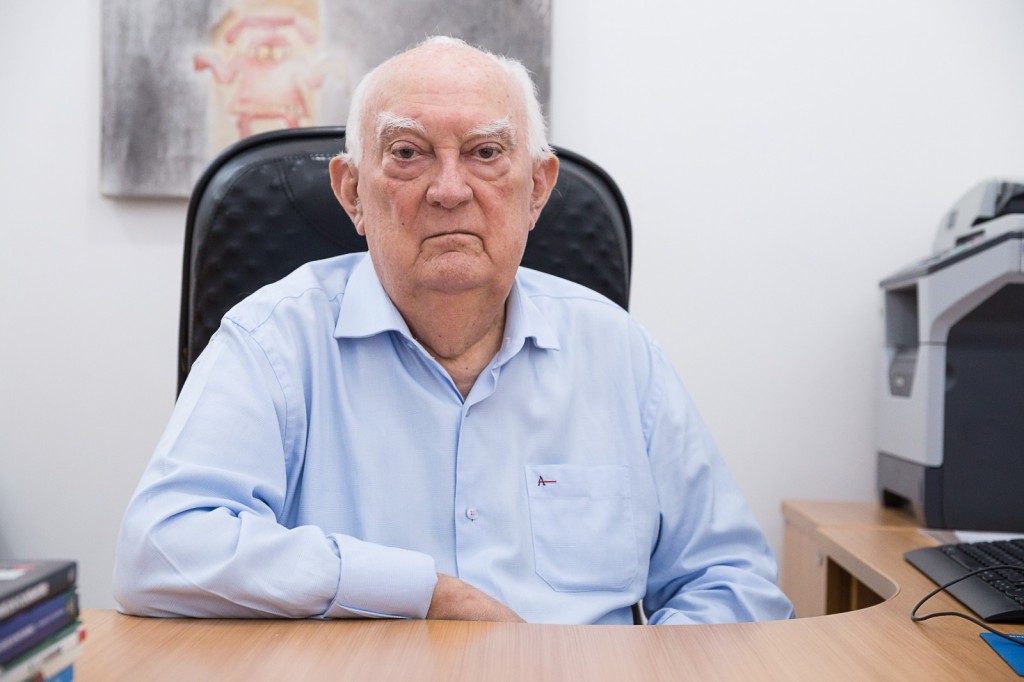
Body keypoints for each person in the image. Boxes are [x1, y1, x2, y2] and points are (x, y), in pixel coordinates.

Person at [113, 36, 794, 625]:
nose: (449, 189)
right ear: (352, 193)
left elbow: (735, 587)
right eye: (408, 152)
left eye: (485, 152)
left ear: (537, 189)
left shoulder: (619, 353)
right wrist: (421, 593)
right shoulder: (274, 342)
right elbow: (158, 551)